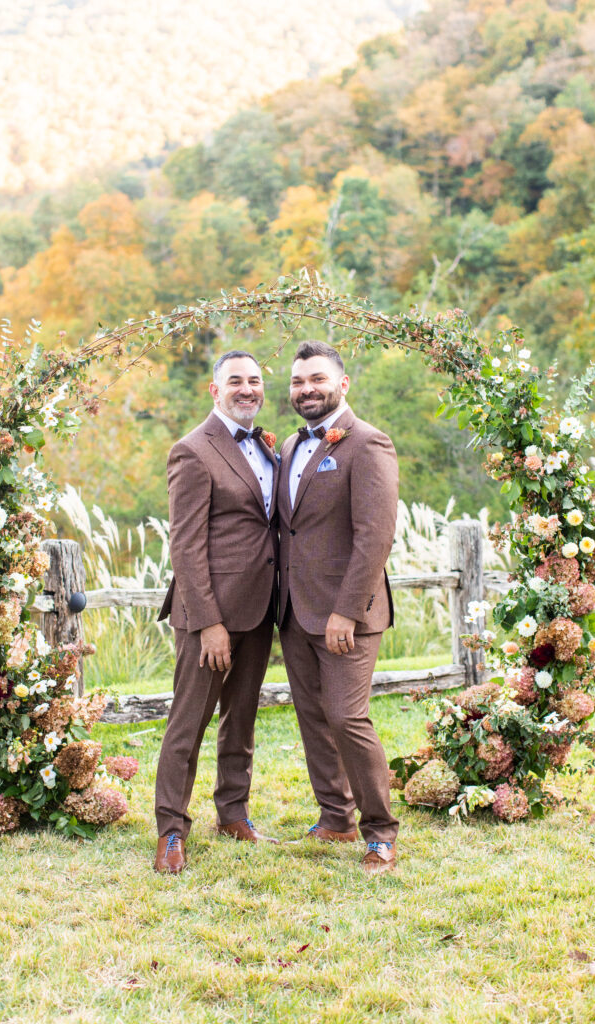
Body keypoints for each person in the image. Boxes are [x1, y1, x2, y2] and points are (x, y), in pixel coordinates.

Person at [154, 350, 279, 874]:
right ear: (215, 390)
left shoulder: (267, 447)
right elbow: (185, 546)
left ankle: (233, 813)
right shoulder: (192, 450)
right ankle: (171, 830)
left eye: (254, 380)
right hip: (208, 616)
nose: (247, 389)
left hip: (259, 609)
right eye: (235, 381)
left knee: (241, 720)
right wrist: (208, 623)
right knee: (188, 723)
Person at [278, 340, 400, 875]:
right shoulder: (289, 445)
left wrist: (347, 610)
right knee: (313, 717)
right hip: (293, 609)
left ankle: (381, 833)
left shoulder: (368, 443)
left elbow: (375, 536)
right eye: (298, 381)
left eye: (318, 379)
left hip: (347, 614)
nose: (307, 389)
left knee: (348, 717)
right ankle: (335, 817)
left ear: (342, 384)